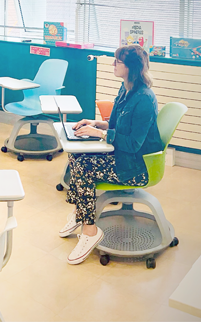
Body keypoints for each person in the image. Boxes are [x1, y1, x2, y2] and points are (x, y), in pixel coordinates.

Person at [59, 44, 162, 265]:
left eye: (118, 61)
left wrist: (100, 134)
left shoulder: (144, 98)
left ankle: (90, 231)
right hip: (123, 157)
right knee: (75, 156)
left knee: (83, 167)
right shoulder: (125, 89)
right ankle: (80, 214)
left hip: (137, 168)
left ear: (131, 67)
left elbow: (133, 143)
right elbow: (116, 125)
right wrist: (96, 124)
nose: (113, 64)